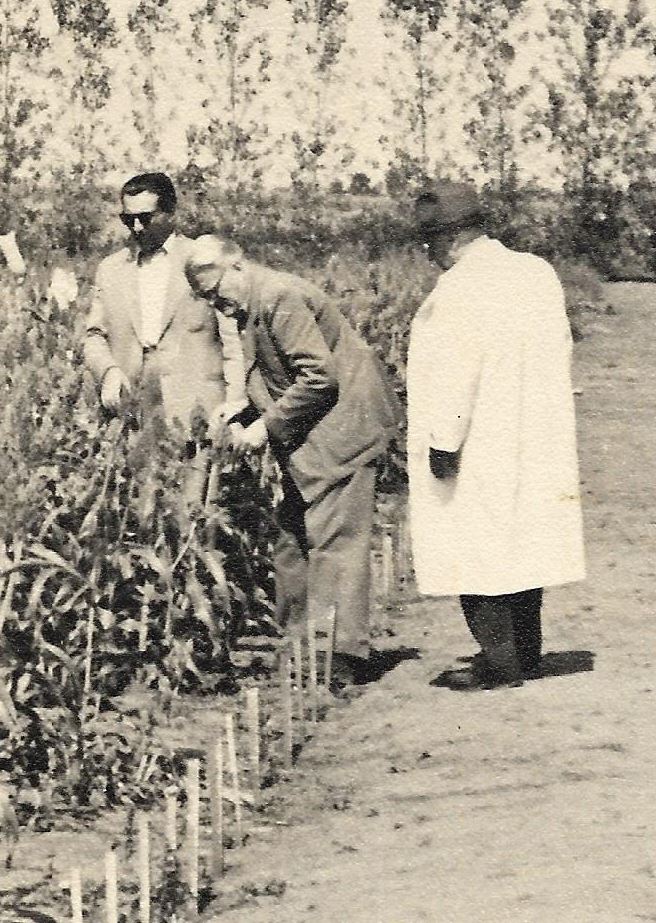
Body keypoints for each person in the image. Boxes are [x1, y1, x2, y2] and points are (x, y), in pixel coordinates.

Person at [185, 235, 401, 687]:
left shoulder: (278, 296)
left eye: (215, 292)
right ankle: (303, 648)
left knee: (334, 541)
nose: (215, 305)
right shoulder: (251, 303)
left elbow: (319, 377)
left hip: (342, 432)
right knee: (291, 540)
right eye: (206, 298)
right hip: (314, 434)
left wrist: (264, 427)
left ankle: (339, 657)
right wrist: (242, 408)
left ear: (236, 266)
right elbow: (281, 373)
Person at [407, 180, 585, 690]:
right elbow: (560, 347)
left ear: (446, 240)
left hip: (480, 438)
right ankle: (525, 655)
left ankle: (499, 662)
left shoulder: (460, 288)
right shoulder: (534, 271)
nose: (429, 255)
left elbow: (455, 374)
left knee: (471, 543)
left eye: (429, 244)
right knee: (522, 542)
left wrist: (444, 440)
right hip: (532, 433)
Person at [84, 172, 245, 505]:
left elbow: (234, 342)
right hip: (135, 414)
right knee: (139, 511)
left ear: (171, 213)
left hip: (197, 413)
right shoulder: (110, 269)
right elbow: (94, 335)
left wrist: (236, 407)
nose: (137, 227)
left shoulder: (204, 259)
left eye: (146, 218)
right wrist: (109, 372)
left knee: (194, 514)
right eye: (128, 219)